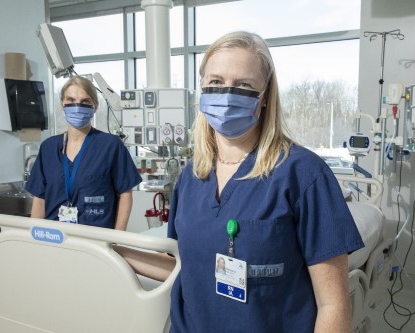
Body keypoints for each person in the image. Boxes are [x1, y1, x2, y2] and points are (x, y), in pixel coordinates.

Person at [117, 31, 364, 332]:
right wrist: (111, 251)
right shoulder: (192, 176)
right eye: (216, 82)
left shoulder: (304, 174)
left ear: (264, 97)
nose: (227, 94)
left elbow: (334, 305)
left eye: (244, 85)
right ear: (203, 90)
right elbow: (189, 268)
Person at [26, 75, 142, 230]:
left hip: (96, 238)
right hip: (55, 237)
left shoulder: (110, 145)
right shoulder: (49, 148)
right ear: (62, 104)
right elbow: (40, 198)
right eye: (71, 101)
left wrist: (117, 239)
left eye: (85, 102)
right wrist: (35, 237)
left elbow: (125, 194)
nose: (77, 107)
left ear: (95, 106)